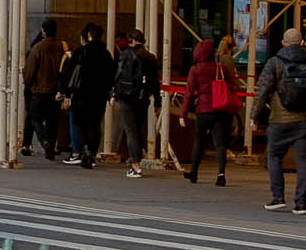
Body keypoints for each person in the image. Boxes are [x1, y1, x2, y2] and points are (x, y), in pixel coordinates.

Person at [257, 20, 306, 214]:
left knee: (274, 155)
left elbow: (262, 90)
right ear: (303, 42)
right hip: (305, 121)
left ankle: (277, 197)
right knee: (303, 161)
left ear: (283, 42)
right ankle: (301, 203)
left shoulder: (275, 62)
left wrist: (254, 115)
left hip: (280, 120)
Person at [175, 34, 239, 189]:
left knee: (199, 141)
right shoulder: (221, 68)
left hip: (203, 109)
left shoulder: (195, 69)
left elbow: (189, 92)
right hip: (221, 108)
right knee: (220, 143)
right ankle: (221, 175)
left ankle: (194, 172)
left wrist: (183, 114)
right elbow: (232, 85)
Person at [108, 27, 163, 174]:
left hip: (126, 97)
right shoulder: (150, 57)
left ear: (130, 40)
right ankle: (136, 158)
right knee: (137, 130)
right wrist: (158, 102)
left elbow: (118, 76)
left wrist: (114, 94)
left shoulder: (125, 54)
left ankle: (135, 165)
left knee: (131, 131)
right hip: (143, 97)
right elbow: (155, 82)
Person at [60, 25, 116, 166]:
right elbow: (111, 75)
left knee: (79, 123)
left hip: (81, 94)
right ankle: (91, 152)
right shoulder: (106, 54)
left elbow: (70, 74)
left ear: (89, 36)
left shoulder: (81, 52)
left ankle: (79, 151)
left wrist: (67, 93)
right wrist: (109, 94)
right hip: (99, 96)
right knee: (95, 124)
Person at [21, 25, 67, 161]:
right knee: (52, 121)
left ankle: (43, 140)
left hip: (40, 90)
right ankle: (50, 150)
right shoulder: (62, 47)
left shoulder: (37, 48)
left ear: (43, 31)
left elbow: (29, 73)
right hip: (56, 91)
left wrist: (29, 83)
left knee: (34, 116)